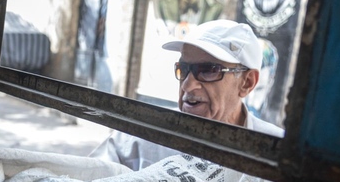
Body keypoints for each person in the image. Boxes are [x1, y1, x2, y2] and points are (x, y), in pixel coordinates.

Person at [91, 19, 283, 173]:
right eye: (184, 69)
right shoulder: (140, 137)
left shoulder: (277, 152)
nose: (187, 85)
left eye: (208, 70)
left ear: (247, 82)